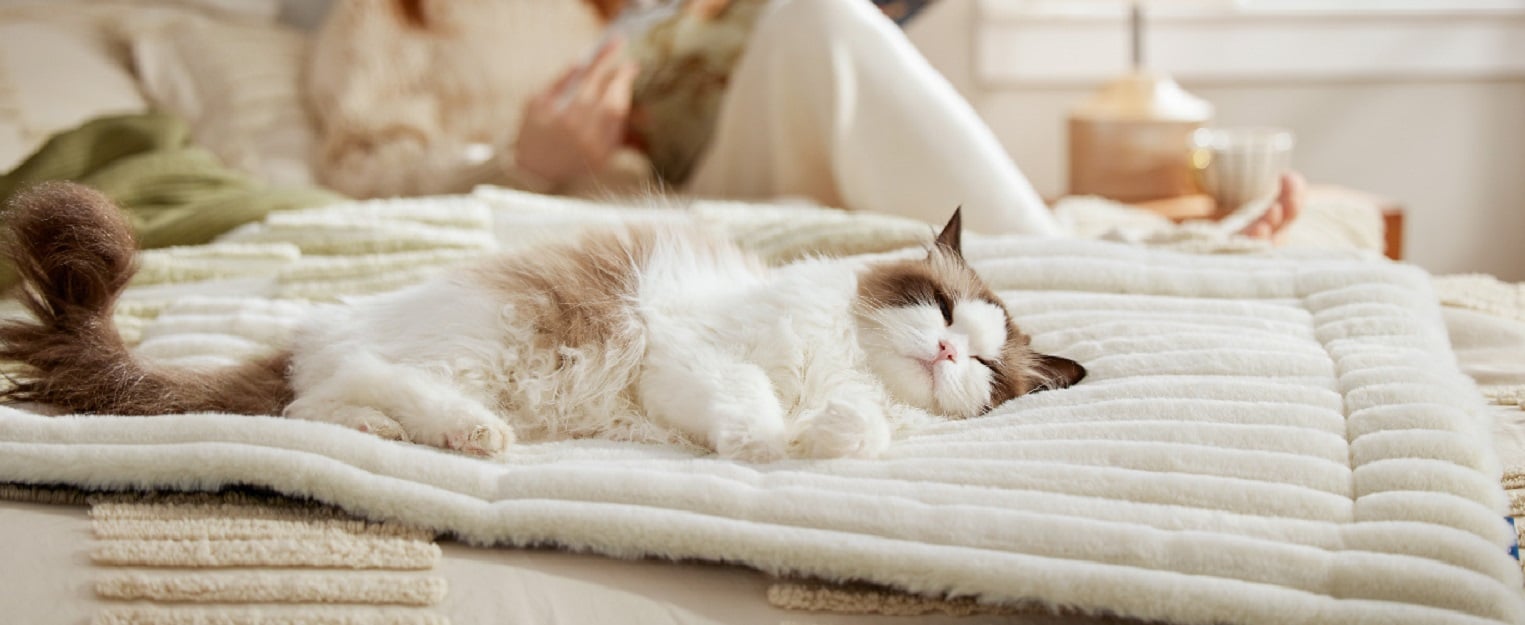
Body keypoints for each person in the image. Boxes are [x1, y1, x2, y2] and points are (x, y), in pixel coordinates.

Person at [309, 0, 1300, 240]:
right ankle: (1076, 266)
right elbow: (350, 177)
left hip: (704, 177)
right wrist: (520, 160)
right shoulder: (381, 20)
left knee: (814, 15)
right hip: (580, 218)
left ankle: (1061, 252)